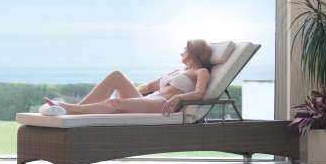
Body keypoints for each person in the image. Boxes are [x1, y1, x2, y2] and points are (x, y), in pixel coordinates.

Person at [43, 39, 212, 116]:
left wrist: (178, 97)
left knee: (115, 103)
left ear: (194, 53)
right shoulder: (177, 71)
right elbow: (148, 87)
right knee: (116, 76)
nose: (181, 52)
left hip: (161, 105)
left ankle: (67, 108)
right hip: (150, 100)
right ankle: (75, 112)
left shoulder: (200, 72)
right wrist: (132, 93)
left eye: (185, 49)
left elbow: (199, 94)